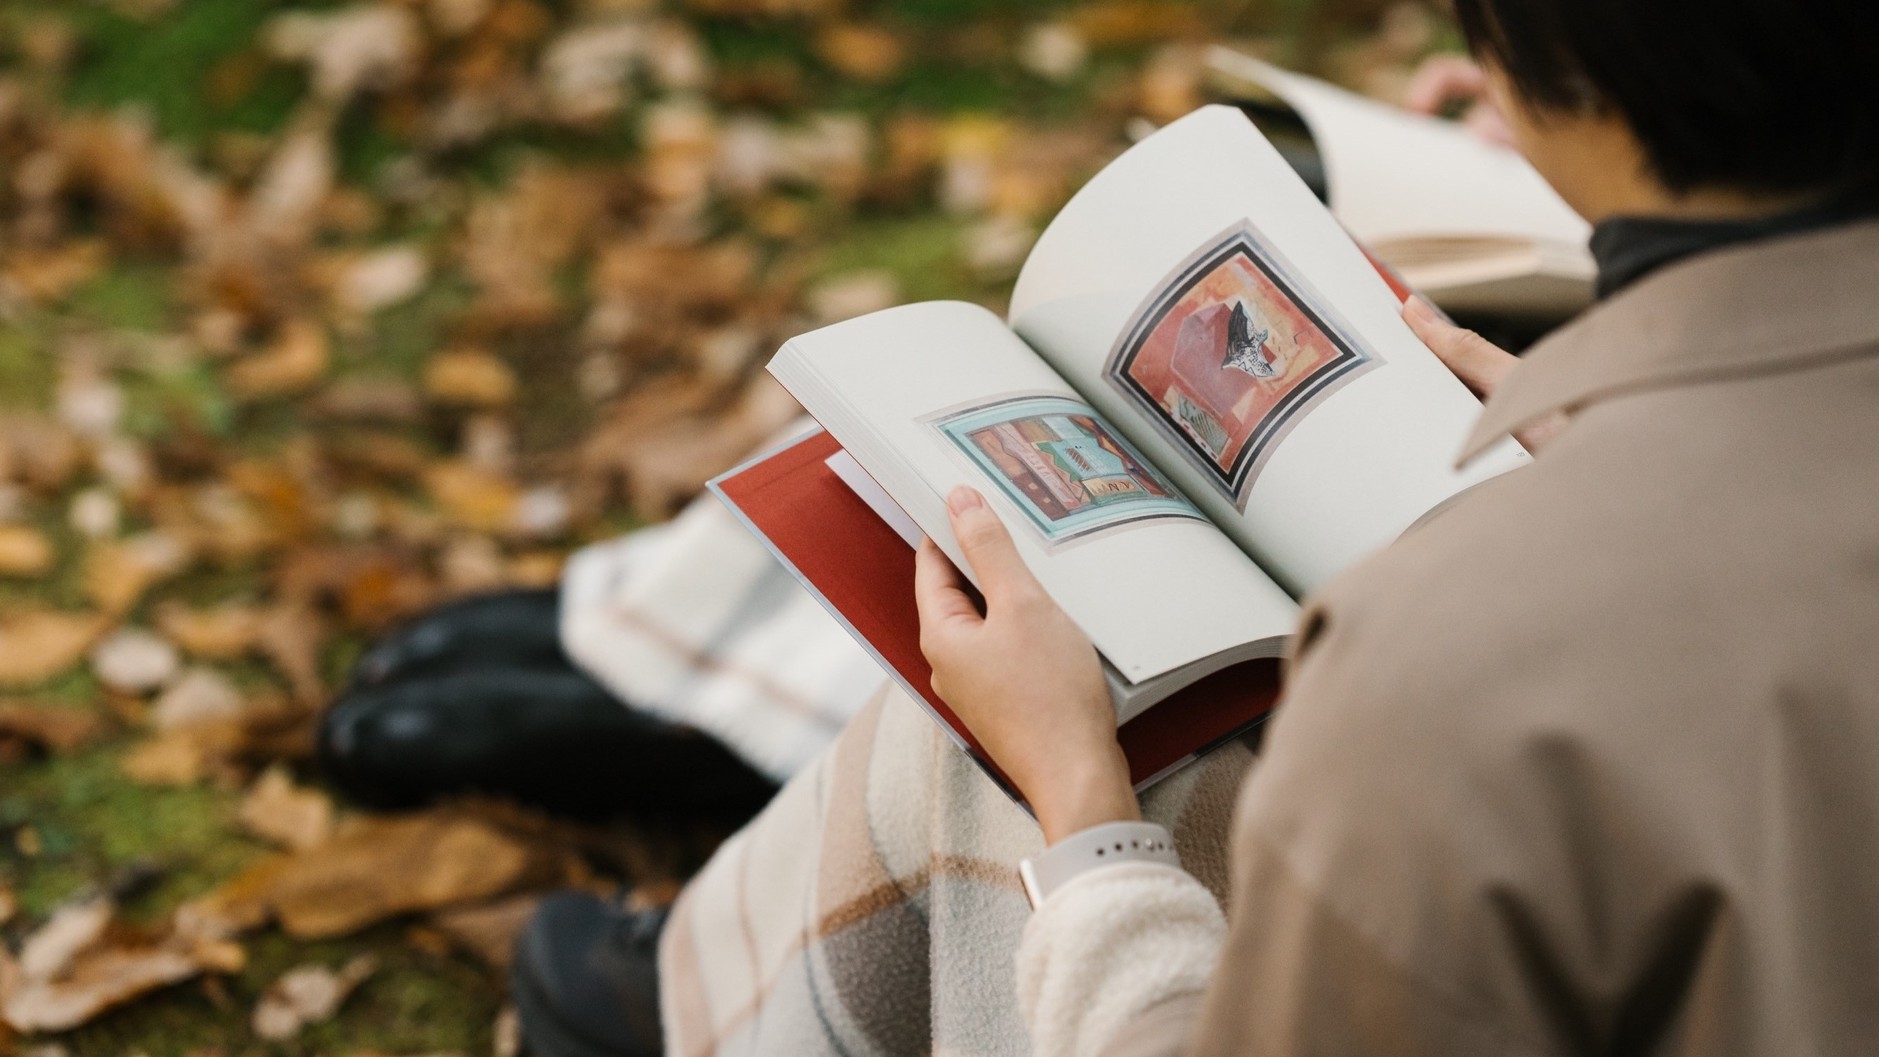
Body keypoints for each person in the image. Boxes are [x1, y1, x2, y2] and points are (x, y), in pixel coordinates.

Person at [519, 0, 1879, 1053]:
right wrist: (1630, 448)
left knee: (1050, 753)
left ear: (1568, 70)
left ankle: (732, 979)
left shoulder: (1452, 660)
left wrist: (1079, 808)